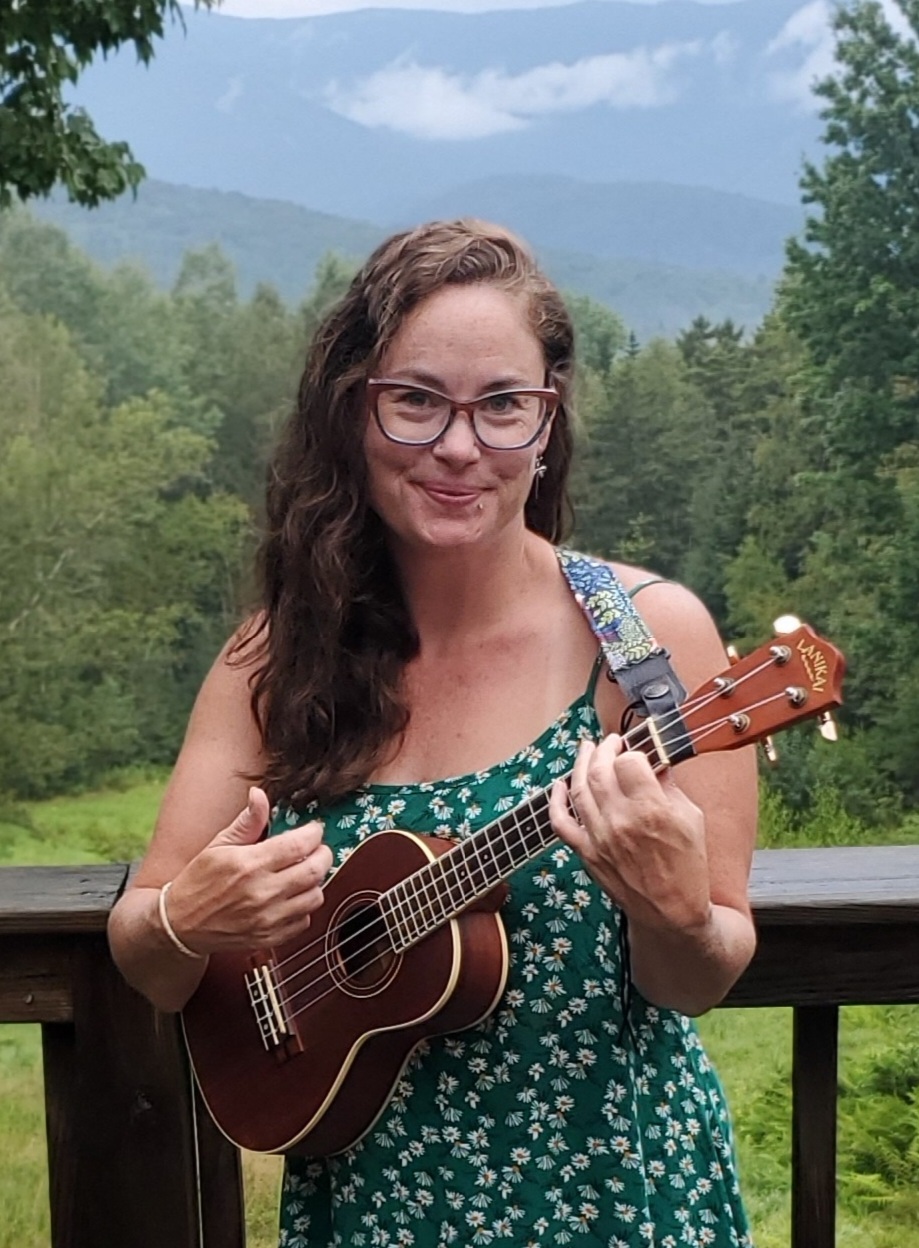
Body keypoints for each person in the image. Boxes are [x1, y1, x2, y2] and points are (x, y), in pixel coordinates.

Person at [107, 219, 757, 1248]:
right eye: (416, 401)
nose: (461, 446)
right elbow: (147, 954)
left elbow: (699, 979)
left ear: (547, 427)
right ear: (352, 413)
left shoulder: (646, 639)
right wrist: (185, 919)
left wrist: (678, 914)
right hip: (369, 1209)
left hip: (613, 1196)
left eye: (503, 405)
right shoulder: (278, 657)